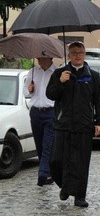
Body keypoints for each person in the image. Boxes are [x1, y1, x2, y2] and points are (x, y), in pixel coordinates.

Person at [46, 41, 100, 208]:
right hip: (63, 124)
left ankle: (80, 195)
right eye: (74, 53)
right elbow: (50, 94)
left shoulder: (92, 75)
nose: (77, 55)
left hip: (84, 125)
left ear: (84, 54)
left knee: (80, 162)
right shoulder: (60, 73)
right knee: (56, 160)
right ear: (69, 55)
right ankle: (65, 186)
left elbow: (98, 101)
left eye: (80, 52)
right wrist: (60, 82)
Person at [23, 56, 57, 187]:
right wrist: (29, 89)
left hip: (50, 112)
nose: (38, 59)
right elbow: (26, 91)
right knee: (40, 144)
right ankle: (48, 174)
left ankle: (42, 174)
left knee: (47, 144)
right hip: (36, 112)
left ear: (49, 57)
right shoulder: (32, 72)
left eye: (41, 57)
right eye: (37, 56)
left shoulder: (56, 73)